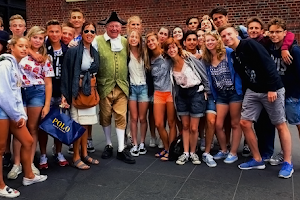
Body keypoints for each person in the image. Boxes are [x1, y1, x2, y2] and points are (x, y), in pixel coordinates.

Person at [219, 24, 293, 178]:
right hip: (253, 91)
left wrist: (272, 87)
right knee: (244, 123)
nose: (227, 38)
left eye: (229, 34)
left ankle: (287, 162)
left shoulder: (250, 44)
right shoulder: (234, 55)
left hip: (271, 89)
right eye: (223, 36)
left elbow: (268, 63)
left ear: (236, 34)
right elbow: (245, 75)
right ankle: (257, 159)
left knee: (280, 124)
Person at [0, 37, 47, 197]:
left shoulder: (15, 65)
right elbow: (4, 94)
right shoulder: (5, 64)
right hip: (2, 111)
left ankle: (29, 176)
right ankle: (0, 186)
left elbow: (17, 93)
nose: (24, 49)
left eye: (26, 47)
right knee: (0, 149)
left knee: (27, 141)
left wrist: (20, 114)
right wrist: (16, 115)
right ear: (11, 47)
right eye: (20, 46)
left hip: (12, 112)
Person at [246, 16, 295, 161]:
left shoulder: (266, 42)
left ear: (262, 31)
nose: (253, 30)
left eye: (256, 28)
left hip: (280, 89)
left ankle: (282, 155)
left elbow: (289, 34)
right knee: (261, 122)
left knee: (281, 123)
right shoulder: (248, 42)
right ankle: (264, 151)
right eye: (251, 28)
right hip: (260, 89)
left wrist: (285, 48)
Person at [8, 26, 54, 180]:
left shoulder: (45, 59)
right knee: (19, 125)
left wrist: (47, 104)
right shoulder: (20, 52)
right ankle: (17, 163)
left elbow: (48, 83)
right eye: (35, 37)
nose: (38, 40)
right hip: (19, 92)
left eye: (41, 38)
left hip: (37, 91)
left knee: (32, 127)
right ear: (29, 37)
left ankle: (30, 162)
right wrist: (30, 51)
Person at [92, 11, 135, 164]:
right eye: (111, 26)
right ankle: (109, 144)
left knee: (121, 116)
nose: (114, 29)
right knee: (105, 116)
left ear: (120, 28)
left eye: (117, 26)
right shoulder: (97, 40)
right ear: (106, 27)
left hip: (122, 86)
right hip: (104, 86)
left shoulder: (125, 41)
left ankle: (121, 148)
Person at [163, 37, 209, 165]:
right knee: (185, 126)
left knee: (194, 128)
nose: (171, 50)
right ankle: (186, 152)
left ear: (178, 47)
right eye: (168, 48)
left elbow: (203, 73)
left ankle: (194, 153)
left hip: (196, 93)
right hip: (182, 95)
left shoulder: (189, 58)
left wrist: (207, 91)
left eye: (173, 47)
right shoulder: (170, 64)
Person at [61, 21, 100, 169]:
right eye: (86, 31)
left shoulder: (94, 52)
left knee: (86, 125)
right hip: (76, 92)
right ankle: (76, 156)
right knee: (77, 125)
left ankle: (84, 154)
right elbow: (66, 72)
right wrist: (65, 94)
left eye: (92, 31)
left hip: (89, 91)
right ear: (81, 33)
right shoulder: (73, 51)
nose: (89, 34)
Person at [202, 30, 243, 165]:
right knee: (218, 125)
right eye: (207, 40)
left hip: (234, 92)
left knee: (235, 123)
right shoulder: (207, 59)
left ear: (217, 40)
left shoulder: (228, 53)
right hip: (220, 94)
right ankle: (224, 149)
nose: (210, 42)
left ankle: (233, 152)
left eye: (212, 40)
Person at [267, 17, 300, 166]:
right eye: (272, 32)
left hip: (292, 94)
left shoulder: (294, 50)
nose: (274, 35)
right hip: (278, 92)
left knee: (298, 124)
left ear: (285, 33)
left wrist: (297, 94)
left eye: (278, 32)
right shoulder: (270, 48)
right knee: (281, 125)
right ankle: (283, 153)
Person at [39, 20, 69, 169]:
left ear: (61, 33)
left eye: (57, 31)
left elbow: (68, 73)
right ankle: (43, 155)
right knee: (43, 125)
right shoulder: (43, 49)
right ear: (47, 33)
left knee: (59, 124)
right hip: (45, 93)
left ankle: (58, 152)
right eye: (51, 31)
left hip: (60, 93)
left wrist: (65, 93)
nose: (55, 34)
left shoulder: (66, 49)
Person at [145, 32, 176, 161]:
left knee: (171, 123)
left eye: (153, 40)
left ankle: (171, 151)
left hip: (169, 92)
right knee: (158, 123)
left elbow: (179, 56)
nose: (151, 43)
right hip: (158, 93)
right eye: (148, 41)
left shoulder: (166, 55)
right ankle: (167, 148)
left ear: (158, 41)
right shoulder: (149, 59)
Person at [127, 30, 149, 156]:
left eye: (136, 37)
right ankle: (134, 143)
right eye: (131, 37)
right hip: (132, 88)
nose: (134, 39)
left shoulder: (144, 53)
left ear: (140, 40)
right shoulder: (126, 54)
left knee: (142, 118)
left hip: (143, 88)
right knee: (133, 118)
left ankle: (142, 143)